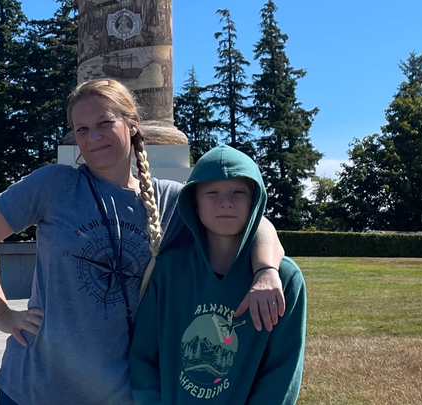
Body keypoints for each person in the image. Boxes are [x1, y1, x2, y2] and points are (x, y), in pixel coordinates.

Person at [0, 78, 286, 405]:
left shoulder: (169, 200)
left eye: (105, 123)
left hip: (119, 393)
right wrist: (1, 313)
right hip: (33, 388)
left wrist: (266, 271)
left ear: (133, 124)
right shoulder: (54, 185)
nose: (93, 137)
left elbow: (254, 223)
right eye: (81, 129)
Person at [130, 146, 307, 405]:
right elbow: (144, 357)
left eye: (239, 192)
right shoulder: (168, 271)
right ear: (194, 204)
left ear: (255, 200)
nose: (225, 202)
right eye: (212, 193)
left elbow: (281, 372)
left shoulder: (284, 279)